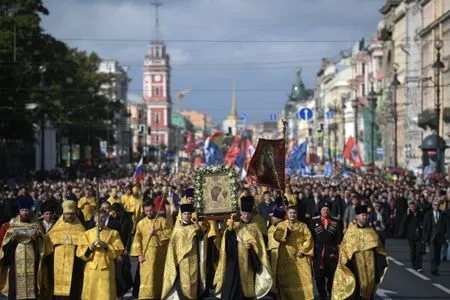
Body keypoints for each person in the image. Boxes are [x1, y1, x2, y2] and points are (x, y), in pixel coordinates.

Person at [214, 195, 272, 299]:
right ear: (240, 213)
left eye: (248, 214)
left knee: (246, 290)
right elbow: (227, 243)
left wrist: (251, 247)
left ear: (251, 214)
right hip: (234, 261)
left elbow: (260, 246)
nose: (246, 216)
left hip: (248, 261)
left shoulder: (255, 227)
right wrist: (230, 230)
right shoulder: (234, 225)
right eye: (244, 213)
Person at [332, 205, 388, 300]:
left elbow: (378, 249)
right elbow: (345, 248)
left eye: (366, 215)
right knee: (356, 291)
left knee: (369, 290)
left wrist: (380, 264)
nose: (365, 217)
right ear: (357, 216)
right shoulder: (351, 231)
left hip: (370, 268)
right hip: (355, 265)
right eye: (363, 215)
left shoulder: (371, 231)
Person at [0, 196, 47, 300]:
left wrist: (36, 238)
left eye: (27, 210)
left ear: (30, 210)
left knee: (32, 286)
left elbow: (42, 243)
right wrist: (12, 240)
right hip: (16, 261)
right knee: (15, 288)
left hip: (32, 259)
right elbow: (5, 245)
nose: (25, 212)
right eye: (22, 210)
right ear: (19, 211)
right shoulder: (13, 225)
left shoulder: (36, 224)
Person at [161, 203, 207, 299]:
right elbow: (173, 245)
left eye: (189, 214)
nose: (187, 216)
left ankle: (194, 296)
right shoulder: (177, 229)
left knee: (194, 279)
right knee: (184, 281)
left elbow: (201, 239)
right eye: (185, 214)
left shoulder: (195, 226)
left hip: (194, 257)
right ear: (181, 215)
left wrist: (198, 227)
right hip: (182, 260)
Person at [76, 210, 125, 300]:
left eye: (102, 217)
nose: (100, 220)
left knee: (106, 292)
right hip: (92, 267)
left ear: (106, 218)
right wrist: (90, 249)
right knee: (91, 291)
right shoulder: (87, 234)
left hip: (106, 267)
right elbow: (80, 252)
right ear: (94, 219)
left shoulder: (113, 233)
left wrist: (106, 246)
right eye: (98, 218)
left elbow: (119, 250)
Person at [130, 200, 171, 299]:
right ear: (144, 211)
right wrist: (139, 255)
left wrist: (157, 233)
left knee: (158, 277)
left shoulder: (161, 220)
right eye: (147, 211)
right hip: (146, 254)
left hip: (160, 254)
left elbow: (169, 233)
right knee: (147, 277)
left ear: (154, 209)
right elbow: (137, 240)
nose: (149, 212)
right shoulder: (141, 223)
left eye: (151, 210)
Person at [274, 199, 314, 300]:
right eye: (290, 213)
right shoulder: (282, 225)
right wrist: (286, 231)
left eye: (294, 213)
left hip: (300, 257)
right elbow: (277, 236)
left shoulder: (302, 225)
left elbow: (308, 239)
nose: (292, 214)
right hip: (286, 256)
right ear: (287, 214)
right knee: (287, 280)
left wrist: (303, 251)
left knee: (303, 278)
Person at [46, 200, 87, 299]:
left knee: (74, 287)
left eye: (71, 214)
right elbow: (48, 243)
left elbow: (85, 244)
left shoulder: (80, 228)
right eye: (67, 214)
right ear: (63, 214)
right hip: (57, 263)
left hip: (74, 263)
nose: (69, 216)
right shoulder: (56, 228)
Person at [310, 201, 342, 300]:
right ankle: (322, 295)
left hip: (331, 252)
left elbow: (339, 238)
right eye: (323, 209)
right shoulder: (313, 221)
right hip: (318, 252)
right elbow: (310, 237)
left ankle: (330, 293)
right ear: (320, 211)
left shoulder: (336, 222)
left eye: (327, 209)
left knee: (331, 276)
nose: (325, 211)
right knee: (319, 277)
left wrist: (338, 251)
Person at [422, 199, 449, 276]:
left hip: (440, 237)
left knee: (437, 254)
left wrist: (447, 236)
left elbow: (447, 226)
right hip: (431, 237)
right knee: (433, 254)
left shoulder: (443, 214)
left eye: (438, 205)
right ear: (432, 205)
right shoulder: (428, 214)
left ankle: (436, 266)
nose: (436, 206)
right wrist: (424, 238)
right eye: (435, 205)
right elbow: (425, 227)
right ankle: (433, 269)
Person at [267, 206, 285, 297]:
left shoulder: (282, 227)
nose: (272, 218)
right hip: (273, 253)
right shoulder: (271, 226)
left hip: (281, 252)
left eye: (273, 217)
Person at [403, 201, 423, 272]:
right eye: (411, 207)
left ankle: (419, 266)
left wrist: (421, 226)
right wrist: (408, 214)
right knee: (413, 251)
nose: (412, 208)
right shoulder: (408, 215)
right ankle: (414, 265)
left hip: (418, 235)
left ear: (415, 206)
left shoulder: (420, 213)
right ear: (409, 208)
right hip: (411, 235)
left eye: (414, 207)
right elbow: (404, 223)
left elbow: (423, 221)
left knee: (419, 251)